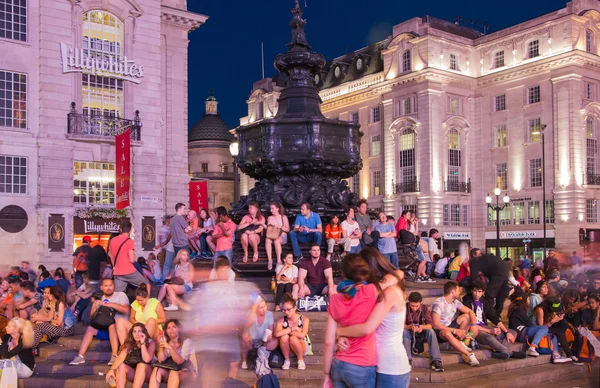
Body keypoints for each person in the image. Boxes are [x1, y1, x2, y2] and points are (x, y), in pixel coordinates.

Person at [334, 252, 413, 387]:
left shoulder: (390, 292)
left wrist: (337, 332)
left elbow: (367, 328)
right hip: (371, 362)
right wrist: (341, 336)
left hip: (390, 366)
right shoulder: (372, 292)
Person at [323, 254, 380, 388]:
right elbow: (397, 275)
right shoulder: (370, 291)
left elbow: (328, 341)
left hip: (338, 364)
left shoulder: (335, 299)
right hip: (362, 364)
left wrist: (326, 374)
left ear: (343, 273)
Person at [69, 278, 130, 366]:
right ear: (101, 288)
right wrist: (94, 305)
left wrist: (109, 305)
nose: (108, 288)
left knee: (111, 324)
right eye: (106, 286)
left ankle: (114, 355)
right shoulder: (101, 298)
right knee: (90, 328)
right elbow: (93, 318)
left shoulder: (120, 295)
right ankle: (80, 356)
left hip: (119, 330)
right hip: (106, 330)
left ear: (114, 286)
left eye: (110, 285)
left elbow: (126, 310)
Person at [461, 280, 526, 359]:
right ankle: (510, 352)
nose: (476, 294)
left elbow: (494, 318)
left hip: (484, 327)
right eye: (475, 291)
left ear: (483, 292)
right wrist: (489, 331)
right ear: (472, 290)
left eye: (479, 291)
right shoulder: (467, 301)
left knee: (512, 332)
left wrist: (506, 332)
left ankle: (500, 352)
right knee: (489, 337)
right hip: (473, 331)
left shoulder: (484, 302)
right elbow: (472, 325)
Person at [431, 281, 481, 366]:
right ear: (453, 292)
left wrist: (474, 325)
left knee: (467, 316)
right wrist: (455, 330)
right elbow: (436, 325)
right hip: (440, 331)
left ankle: (462, 342)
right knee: (447, 332)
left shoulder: (455, 301)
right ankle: (468, 354)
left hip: (450, 326)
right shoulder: (438, 303)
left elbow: (470, 311)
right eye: (458, 290)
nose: (459, 292)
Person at [105, 323, 156, 388]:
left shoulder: (150, 342)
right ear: (132, 334)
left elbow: (146, 359)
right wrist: (111, 370)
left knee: (141, 365)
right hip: (135, 374)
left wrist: (142, 343)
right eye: (134, 332)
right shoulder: (130, 343)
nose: (137, 334)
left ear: (144, 333)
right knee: (121, 365)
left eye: (139, 331)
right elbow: (121, 357)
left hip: (149, 373)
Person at [149, 319, 198, 388]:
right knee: (157, 368)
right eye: (168, 328)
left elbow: (179, 361)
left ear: (179, 329)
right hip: (172, 371)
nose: (171, 329)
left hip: (188, 372)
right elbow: (161, 360)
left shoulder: (187, 342)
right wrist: (161, 346)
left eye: (174, 327)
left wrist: (169, 347)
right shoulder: (167, 342)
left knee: (174, 371)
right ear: (166, 331)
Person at [402, 292, 444, 372]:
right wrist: (409, 327)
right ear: (409, 302)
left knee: (431, 332)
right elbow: (400, 325)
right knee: (404, 332)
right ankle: (407, 360)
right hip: (408, 331)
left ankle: (436, 360)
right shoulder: (404, 308)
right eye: (412, 306)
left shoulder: (424, 308)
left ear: (420, 303)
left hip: (420, 331)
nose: (414, 308)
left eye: (417, 306)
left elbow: (431, 325)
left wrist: (422, 327)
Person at [31, 286, 76, 351]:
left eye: (49, 294)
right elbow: (50, 318)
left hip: (67, 330)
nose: (48, 295)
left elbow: (59, 322)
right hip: (60, 327)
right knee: (38, 325)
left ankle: (32, 348)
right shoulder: (54, 303)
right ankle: (33, 347)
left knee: (39, 327)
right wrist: (38, 318)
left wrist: (52, 321)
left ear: (53, 295)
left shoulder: (61, 304)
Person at [108, 221, 148, 293]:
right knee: (146, 285)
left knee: (118, 294)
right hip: (129, 271)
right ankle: (148, 302)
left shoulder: (113, 240)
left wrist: (115, 266)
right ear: (130, 230)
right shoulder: (130, 241)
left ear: (120, 229)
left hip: (117, 272)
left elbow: (110, 255)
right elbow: (132, 259)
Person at [275, 293, 311, 370]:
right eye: (284, 310)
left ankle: (300, 360)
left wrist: (285, 331)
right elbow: (277, 334)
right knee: (284, 338)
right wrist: (292, 329)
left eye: (289, 309)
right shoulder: (281, 320)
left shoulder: (304, 319)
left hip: (301, 346)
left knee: (293, 338)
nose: (286, 312)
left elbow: (302, 335)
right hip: (288, 348)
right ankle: (287, 360)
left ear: (295, 308)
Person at [241, 296, 278, 369]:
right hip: (251, 340)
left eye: (264, 306)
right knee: (244, 336)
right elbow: (247, 325)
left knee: (275, 341)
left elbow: (271, 330)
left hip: (263, 341)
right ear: (255, 308)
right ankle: (244, 360)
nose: (263, 309)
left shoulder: (269, 314)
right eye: (260, 307)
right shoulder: (250, 313)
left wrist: (269, 336)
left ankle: (262, 355)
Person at [265, 202, 290, 270]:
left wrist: (280, 227)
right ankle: (270, 260)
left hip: (281, 236)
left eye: (272, 208)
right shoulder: (270, 218)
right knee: (267, 240)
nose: (271, 210)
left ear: (277, 209)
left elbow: (287, 229)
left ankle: (279, 260)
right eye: (270, 209)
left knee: (277, 240)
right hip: (272, 235)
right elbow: (268, 228)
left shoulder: (283, 217)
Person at [155, 215, 176, 284]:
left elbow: (164, 239)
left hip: (167, 248)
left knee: (165, 265)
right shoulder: (170, 228)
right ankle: (170, 279)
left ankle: (162, 280)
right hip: (172, 247)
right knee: (172, 265)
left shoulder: (164, 229)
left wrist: (160, 245)